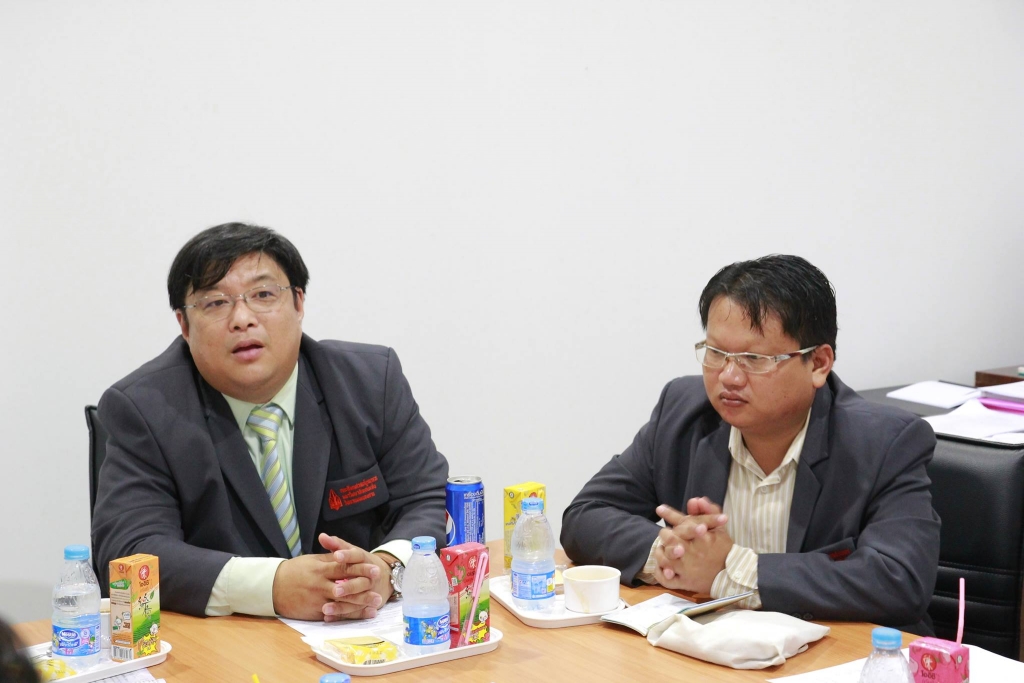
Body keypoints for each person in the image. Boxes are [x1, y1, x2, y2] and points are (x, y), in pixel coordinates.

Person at [561, 254, 940, 632]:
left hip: (835, 654)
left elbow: (900, 580)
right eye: (716, 353)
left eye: (753, 358)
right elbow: (586, 515)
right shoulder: (682, 413)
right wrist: (673, 553)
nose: (728, 376)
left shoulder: (884, 443)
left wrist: (733, 571)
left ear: (818, 364)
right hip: (709, 647)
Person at [92, 222, 449, 621]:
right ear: (184, 325)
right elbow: (129, 552)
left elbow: (428, 498)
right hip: (227, 644)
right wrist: (271, 586)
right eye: (215, 303)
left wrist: (387, 570)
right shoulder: (145, 409)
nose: (242, 319)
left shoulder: (369, 382)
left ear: (299, 303)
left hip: (363, 634)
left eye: (263, 295)